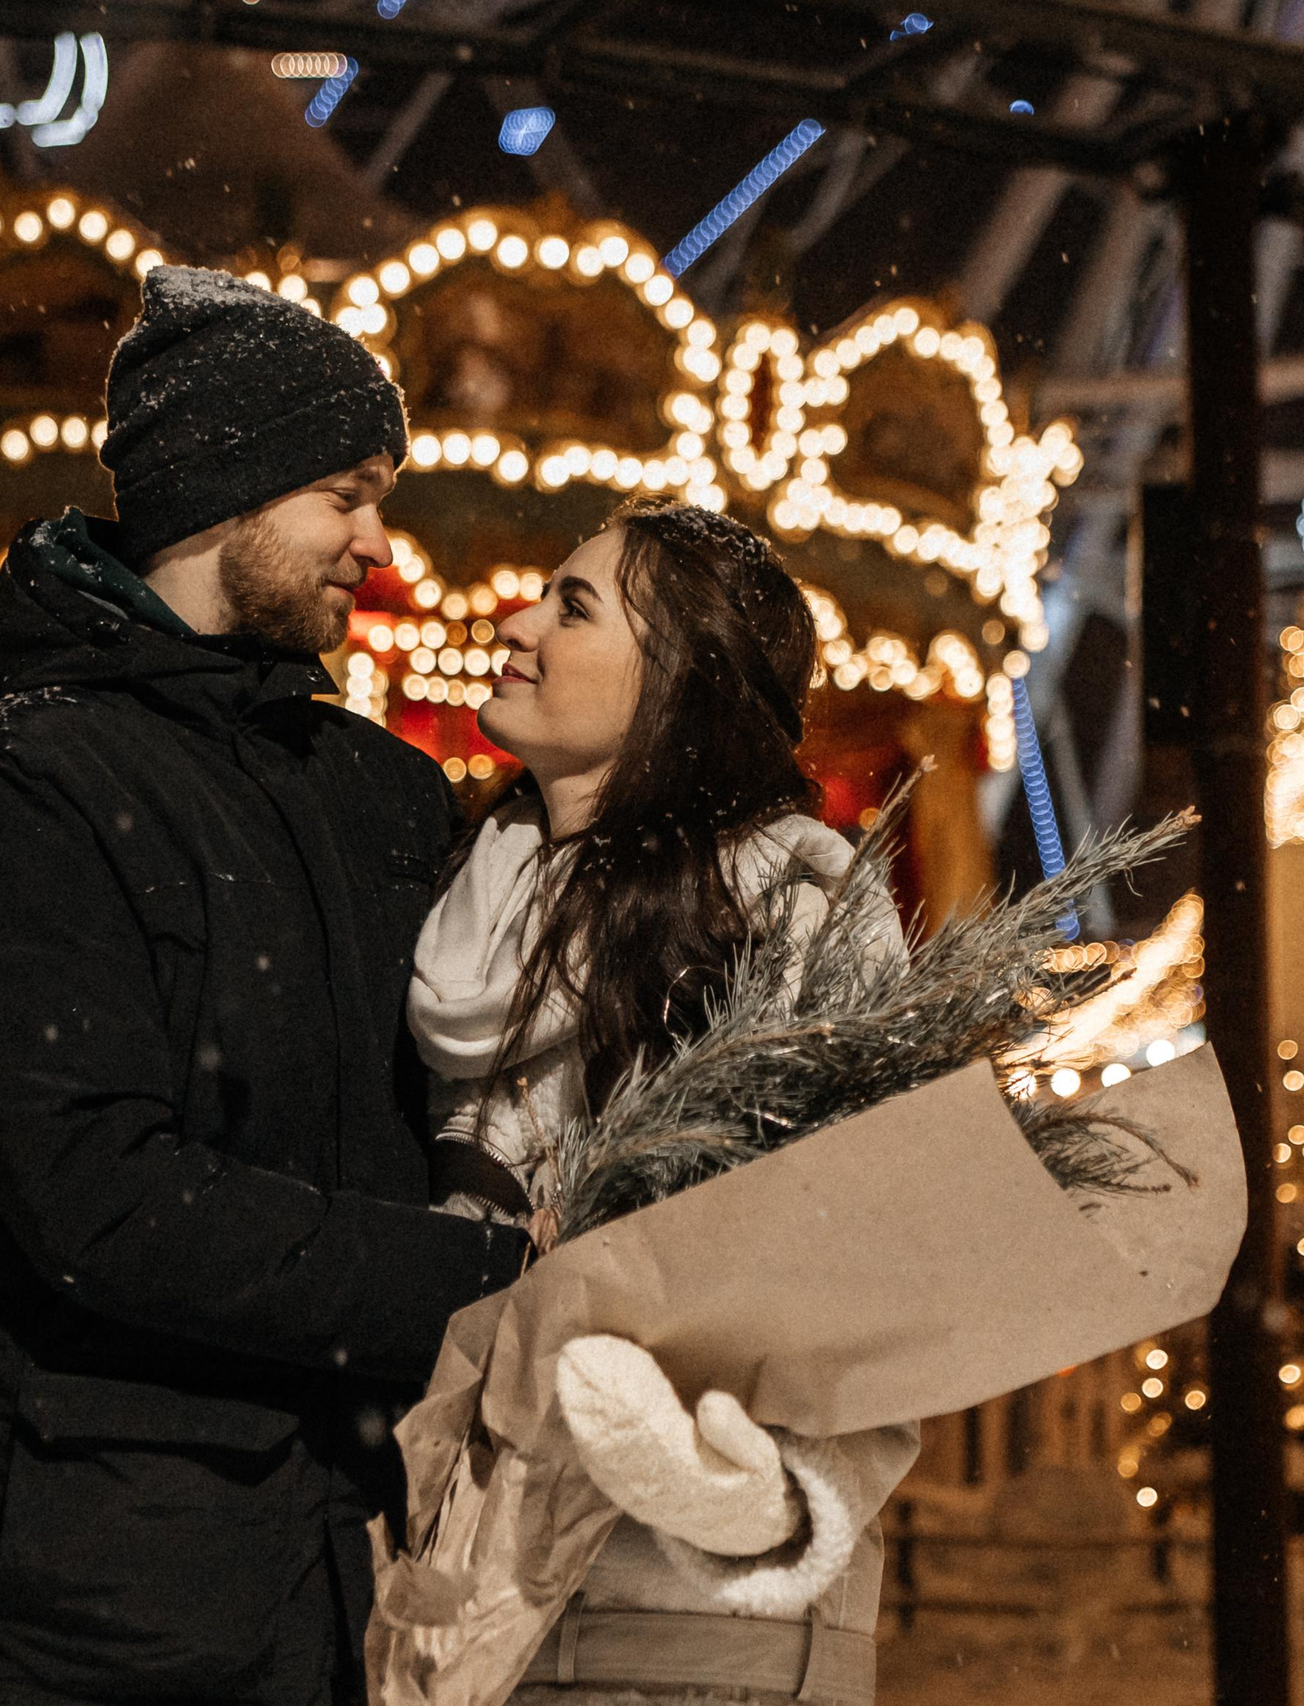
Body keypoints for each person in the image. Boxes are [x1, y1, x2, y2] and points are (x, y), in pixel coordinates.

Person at [0, 267, 532, 1705]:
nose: (378, 536)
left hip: (352, 1560)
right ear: (225, 492)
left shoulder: (375, 787)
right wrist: (482, 1278)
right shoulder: (25, 795)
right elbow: (104, 1198)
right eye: (345, 492)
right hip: (100, 1597)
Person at [407, 498, 920, 1706]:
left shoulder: (791, 902)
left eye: (571, 605)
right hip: (480, 1588)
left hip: (697, 1612)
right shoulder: (472, 896)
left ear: (676, 681)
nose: (518, 621)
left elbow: (873, 1252)